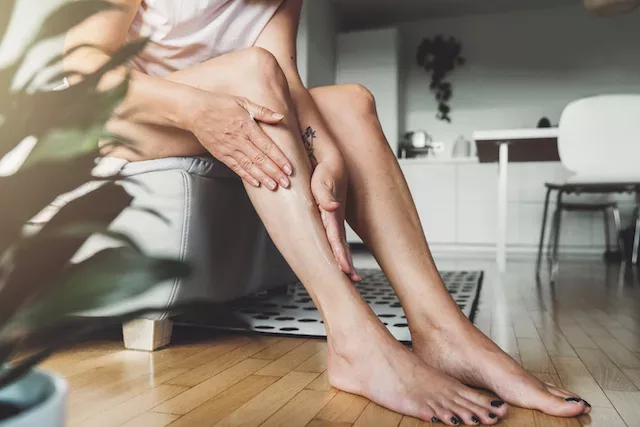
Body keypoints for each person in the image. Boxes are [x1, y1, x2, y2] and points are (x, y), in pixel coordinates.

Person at [64, 1, 590, 424]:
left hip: (223, 109)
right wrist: (198, 109)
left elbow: (286, 80)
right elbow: (83, 69)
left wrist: (328, 152)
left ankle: (443, 332)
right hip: (124, 121)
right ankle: (354, 342)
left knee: (352, 103)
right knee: (251, 69)